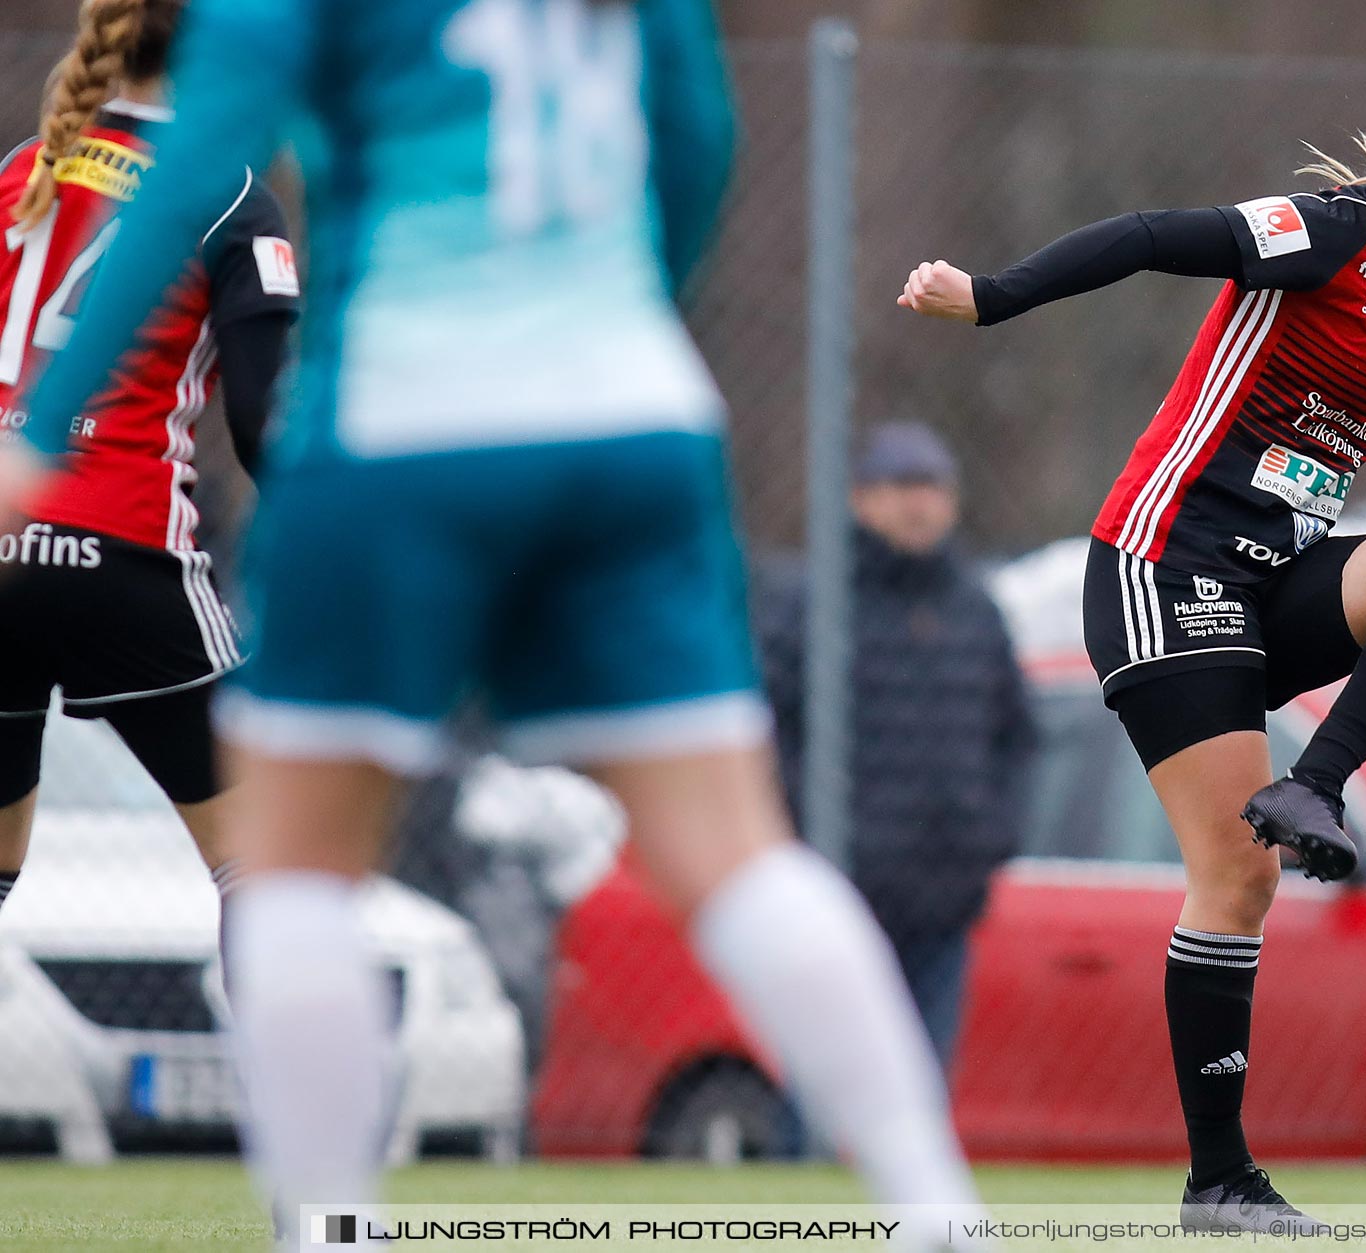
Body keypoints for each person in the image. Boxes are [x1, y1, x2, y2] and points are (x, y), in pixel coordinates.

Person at [3, 0, 984, 1244]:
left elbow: (199, 158)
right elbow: (696, 133)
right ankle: (934, 1206)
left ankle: (328, 1225)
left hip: (400, 419)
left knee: (295, 869)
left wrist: (41, 440)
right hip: (632, 419)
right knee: (737, 852)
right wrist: (620, 313)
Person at [899, 53, 1366, 1234]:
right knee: (1235, 877)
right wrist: (988, 295)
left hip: (1272, 585)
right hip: (1161, 568)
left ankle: (1317, 785)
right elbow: (1147, 233)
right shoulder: (1325, 232)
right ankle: (1221, 1180)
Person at [0, 0, 295, 937]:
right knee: (266, 868)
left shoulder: (17, 174)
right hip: (124, 556)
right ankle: (283, 1086)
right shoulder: (230, 193)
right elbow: (261, 424)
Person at [759, 421, 1034, 1074]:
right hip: (846, 887)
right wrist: (814, 834)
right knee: (829, 1079)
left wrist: (992, 835)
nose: (919, 503)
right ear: (861, 500)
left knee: (923, 1080)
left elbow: (1017, 735)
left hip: (947, 890)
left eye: (932, 486)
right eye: (901, 486)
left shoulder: (976, 610)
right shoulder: (817, 604)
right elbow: (771, 735)